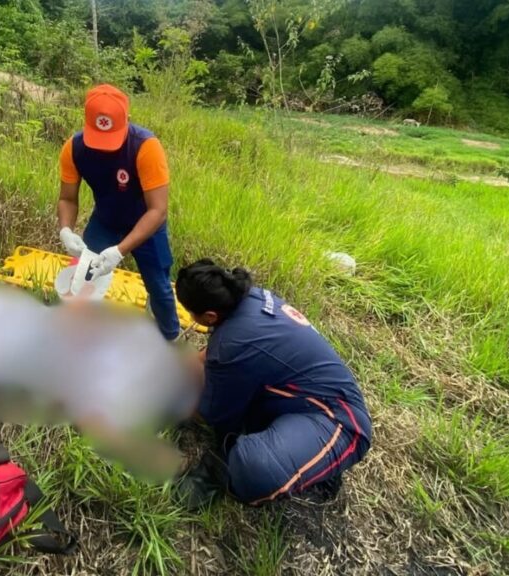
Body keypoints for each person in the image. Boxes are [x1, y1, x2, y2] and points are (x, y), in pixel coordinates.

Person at [175, 259, 372, 506]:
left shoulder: (234, 343)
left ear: (209, 316)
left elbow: (211, 414)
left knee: (254, 469)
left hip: (340, 422)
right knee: (227, 391)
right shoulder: (249, 298)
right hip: (302, 398)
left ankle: (228, 467)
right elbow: (217, 353)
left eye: (191, 313)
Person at [57, 84, 180, 341]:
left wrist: (119, 250)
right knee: (83, 278)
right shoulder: (74, 148)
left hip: (146, 224)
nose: (103, 148)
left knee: (159, 287)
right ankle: (77, 335)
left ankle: (170, 339)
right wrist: (66, 230)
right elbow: (67, 198)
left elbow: (158, 210)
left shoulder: (145, 147)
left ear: (127, 121)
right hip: (106, 220)